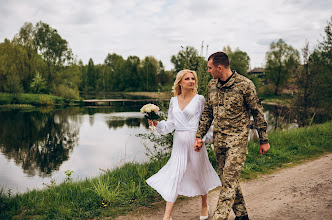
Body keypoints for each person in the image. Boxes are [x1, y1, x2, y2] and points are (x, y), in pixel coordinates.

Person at [194, 52, 270, 220]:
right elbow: (208, 113)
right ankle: (242, 216)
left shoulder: (245, 85)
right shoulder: (212, 85)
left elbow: (258, 113)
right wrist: (199, 135)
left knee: (228, 183)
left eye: (209, 68)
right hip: (219, 142)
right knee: (229, 181)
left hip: (237, 142)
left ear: (219, 68)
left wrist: (263, 139)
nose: (208, 71)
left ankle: (218, 217)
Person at [146, 69, 221, 220]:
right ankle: (167, 215)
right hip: (179, 143)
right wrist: (157, 123)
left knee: (199, 173)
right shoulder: (174, 100)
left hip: (195, 142)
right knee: (175, 175)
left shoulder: (199, 99)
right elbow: (170, 124)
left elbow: (205, 122)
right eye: (187, 79)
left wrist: (203, 139)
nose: (191, 81)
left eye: (193, 78)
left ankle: (204, 205)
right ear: (180, 82)